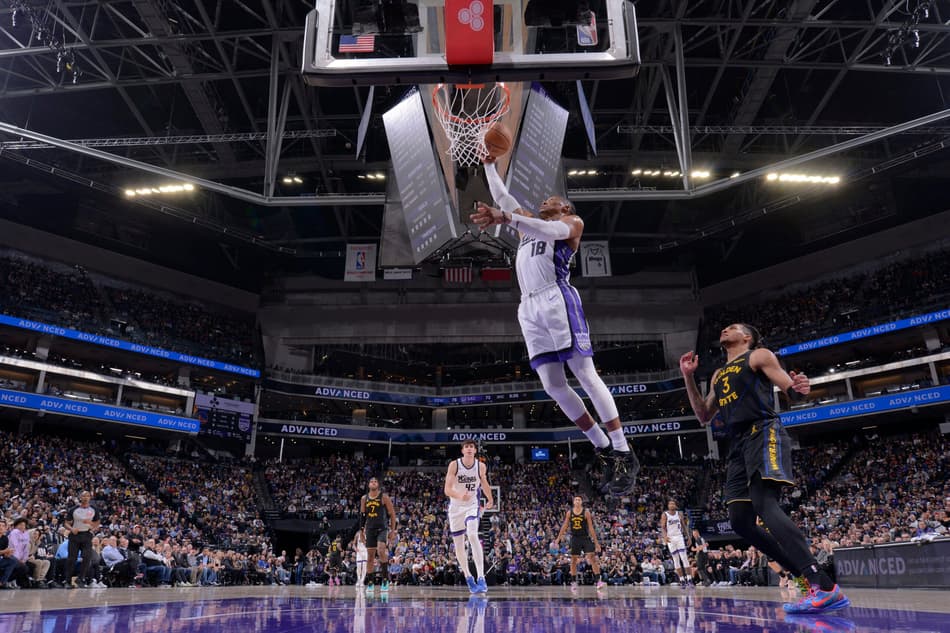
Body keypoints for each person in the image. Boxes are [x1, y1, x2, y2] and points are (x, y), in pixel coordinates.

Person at [470, 162, 639, 496]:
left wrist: (505, 218)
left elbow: (545, 231)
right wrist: (489, 162)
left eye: (551, 198)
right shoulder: (526, 227)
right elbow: (502, 195)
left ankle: (623, 450)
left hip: (557, 298)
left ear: (565, 206)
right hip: (528, 306)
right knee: (552, 385)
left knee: (586, 375)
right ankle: (602, 447)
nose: (544, 200)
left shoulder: (571, 222)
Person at [679, 323, 849, 614]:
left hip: (763, 431)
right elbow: (704, 415)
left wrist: (798, 389)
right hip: (737, 445)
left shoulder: (758, 356)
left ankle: (819, 584)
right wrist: (688, 378)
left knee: (764, 503)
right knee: (740, 521)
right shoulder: (719, 375)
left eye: (733, 328)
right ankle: (815, 581)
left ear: (747, 337)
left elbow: (790, 390)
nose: (725, 329)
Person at [443, 439, 494, 593]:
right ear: (462, 450)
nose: (470, 449)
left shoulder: (481, 466)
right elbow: (447, 489)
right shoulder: (454, 465)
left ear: (475, 450)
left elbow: (484, 483)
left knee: (472, 534)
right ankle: (468, 576)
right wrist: (459, 495)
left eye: (472, 446)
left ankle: (481, 577)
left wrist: (490, 498)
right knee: (459, 544)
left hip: (472, 505)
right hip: (456, 507)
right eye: (467, 447)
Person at [554, 495, 606, 592]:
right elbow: (564, 526)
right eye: (576, 500)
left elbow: (591, 528)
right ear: (574, 502)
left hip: (585, 537)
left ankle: (598, 581)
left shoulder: (586, 512)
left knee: (592, 558)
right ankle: (573, 582)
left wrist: (596, 543)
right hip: (575, 538)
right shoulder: (569, 513)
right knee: (573, 560)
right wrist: (558, 539)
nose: (577, 501)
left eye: (579, 500)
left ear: (581, 502)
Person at [360, 476, 397, 593]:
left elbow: (392, 514)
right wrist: (361, 532)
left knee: (381, 551)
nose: (373, 482)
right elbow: (362, 516)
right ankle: (370, 582)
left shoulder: (384, 497)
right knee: (370, 556)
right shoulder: (364, 498)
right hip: (369, 529)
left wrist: (392, 530)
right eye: (371, 481)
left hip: (382, 528)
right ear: (368, 485)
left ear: (378, 485)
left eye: (375, 481)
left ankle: (385, 579)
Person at [64, 491, 100, 588]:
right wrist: (71, 529)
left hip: (87, 535)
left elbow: (97, 523)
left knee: (87, 557)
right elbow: (66, 523)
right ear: (80, 497)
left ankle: (81, 578)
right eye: (83, 495)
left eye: (87, 496)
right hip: (75, 535)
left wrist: (91, 524)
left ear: (90, 498)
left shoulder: (94, 509)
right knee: (72, 559)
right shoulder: (73, 509)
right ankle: (67, 581)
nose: (85, 497)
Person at [660, 500, 692, 587]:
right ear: (668, 505)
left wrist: (688, 537)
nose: (671, 505)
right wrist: (665, 537)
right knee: (676, 559)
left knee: (684, 558)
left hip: (679, 536)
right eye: (670, 503)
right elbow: (662, 527)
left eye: (673, 503)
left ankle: (689, 579)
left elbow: (684, 526)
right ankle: (682, 580)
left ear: (676, 505)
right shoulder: (665, 514)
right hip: (670, 538)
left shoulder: (679, 514)